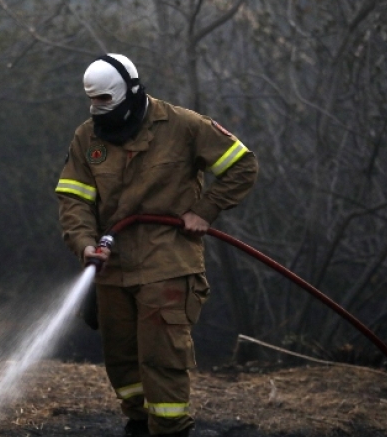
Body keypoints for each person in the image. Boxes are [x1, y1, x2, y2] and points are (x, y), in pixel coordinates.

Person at [55, 53, 259, 437]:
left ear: (130, 91)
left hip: (167, 261)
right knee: (121, 358)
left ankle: (170, 429)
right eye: (92, 100)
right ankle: (138, 423)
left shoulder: (184, 126)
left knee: (162, 356)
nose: (96, 108)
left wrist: (205, 210)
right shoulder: (88, 137)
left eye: (104, 99)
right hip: (112, 264)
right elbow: (74, 198)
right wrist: (84, 244)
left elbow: (242, 165)